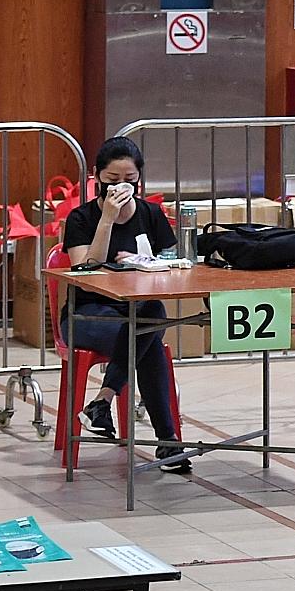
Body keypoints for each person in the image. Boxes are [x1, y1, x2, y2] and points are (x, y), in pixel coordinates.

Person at [60, 137, 190, 474]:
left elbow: (172, 262)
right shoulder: (80, 218)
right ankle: (168, 441)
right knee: (146, 332)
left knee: (150, 316)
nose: (120, 187)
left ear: (140, 180)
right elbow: (83, 268)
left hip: (135, 310)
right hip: (87, 313)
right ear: (97, 177)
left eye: (129, 181)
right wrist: (107, 220)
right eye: (112, 180)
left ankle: (102, 401)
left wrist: (141, 262)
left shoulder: (151, 214)